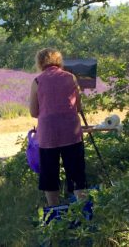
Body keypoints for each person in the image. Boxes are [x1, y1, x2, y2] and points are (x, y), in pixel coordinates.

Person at [29, 48, 87, 206]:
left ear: (39, 62)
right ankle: (83, 210)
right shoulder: (71, 77)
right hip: (71, 132)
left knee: (49, 173)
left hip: (48, 134)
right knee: (76, 173)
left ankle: (54, 211)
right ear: (59, 61)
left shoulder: (37, 81)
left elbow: (34, 112)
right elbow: (78, 107)